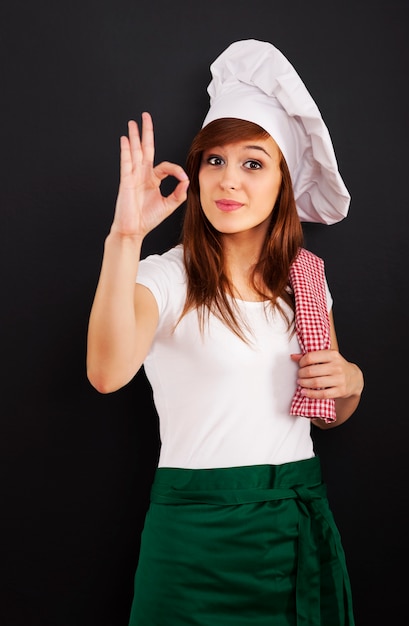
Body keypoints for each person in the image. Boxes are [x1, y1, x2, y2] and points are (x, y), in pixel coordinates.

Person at [87, 39, 364, 625]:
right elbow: (107, 374)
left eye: (252, 163)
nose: (227, 181)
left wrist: (352, 380)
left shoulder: (307, 281)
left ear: (282, 183)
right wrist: (125, 237)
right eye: (214, 160)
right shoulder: (162, 276)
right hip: (193, 540)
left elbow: (329, 410)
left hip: (294, 529)